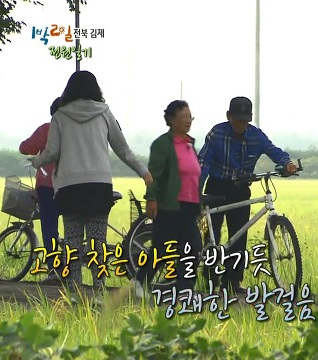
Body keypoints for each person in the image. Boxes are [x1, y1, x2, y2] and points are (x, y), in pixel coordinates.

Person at [31, 70, 153, 305]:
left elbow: (52, 152)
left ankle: (75, 293)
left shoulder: (60, 116)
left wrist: (37, 161)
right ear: (96, 89)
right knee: (98, 241)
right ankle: (98, 292)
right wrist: (144, 172)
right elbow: (123, 149)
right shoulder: (105, 113)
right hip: (98, 186)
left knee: (73, 241)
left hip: (69, 187)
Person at [197, 96, 298, 295]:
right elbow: (203, 163)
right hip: (217, 186)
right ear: (229, 116)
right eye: (237, 120)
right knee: (212, 234)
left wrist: (286, 163)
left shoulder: (255, 135)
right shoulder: (217, 133)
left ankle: (233, 281)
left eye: (245, 120)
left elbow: (273, 150)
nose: (241, 125)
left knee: (239, 234)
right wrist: (197, 190)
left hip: (241, 189)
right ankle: (210, 277)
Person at [131, 100, 203, 299]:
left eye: (190, 117)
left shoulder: (189, 144)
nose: (188, 121)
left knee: (192, 247)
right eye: (183, 117)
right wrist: (151, 198)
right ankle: (139, 281)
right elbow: (154, 174)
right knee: (162, 249)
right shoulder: (163, 144)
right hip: (169, 205)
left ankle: (184, 288)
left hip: (189, 206)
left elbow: (194, 175)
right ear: (171, 120)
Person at [19, 97, 63, 284]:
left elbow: (25, 147)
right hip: (71, 184)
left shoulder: (47, 129)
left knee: (49, 227)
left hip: (47, 185)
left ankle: (54, 270)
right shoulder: (74, 132)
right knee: (73, 227)